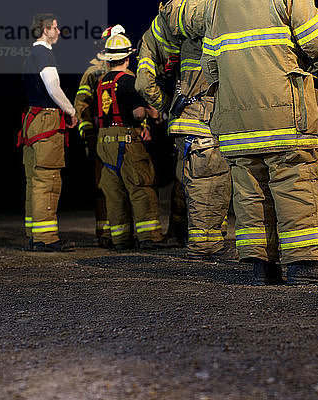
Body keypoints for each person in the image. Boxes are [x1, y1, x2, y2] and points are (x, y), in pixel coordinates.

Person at [201, 0, 318, 284]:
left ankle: (261, 266)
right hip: (283, 111)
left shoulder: (215, 5)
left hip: (235, 118)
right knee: (296, 180)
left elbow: (210, 68)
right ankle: (307, 263)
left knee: (250, 190)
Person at [136, 0, 233, 260]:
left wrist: (167, 106)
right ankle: (206, 246)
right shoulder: (217, 11)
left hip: (185, 120)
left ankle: (208, 239)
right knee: (209, 182)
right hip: (209, 118)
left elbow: (144, 83)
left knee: (197, 183)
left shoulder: (162, 25)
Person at [95, 33, 166, 251]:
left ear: (108, 60)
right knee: (140, 185)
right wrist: (152, 113)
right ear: (128, 58)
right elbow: (136, 114)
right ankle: (149, 237)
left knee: (114, 192)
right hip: (125, 139)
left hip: (103, 140)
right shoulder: (128, 81)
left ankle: (120, 239)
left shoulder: (101, 82)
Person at [20, 13, 77, 252]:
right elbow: (53, 88)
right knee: (48, 178)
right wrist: (71, 110)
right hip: (46, 120)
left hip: (32, 121)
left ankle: (35, 233)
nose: (58, 31)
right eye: (55, 27)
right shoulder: (44, 53)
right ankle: (46, 238)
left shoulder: (30, 55)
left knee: (34, 179)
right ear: (45, 30)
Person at [74, 24, 126, 249]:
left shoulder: (124, 70)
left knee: (127, 184)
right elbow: (82, 105)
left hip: (126, 135)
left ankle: (124, 232)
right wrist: (87, 132)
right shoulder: (94, 72)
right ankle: (105, 233)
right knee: (103, 186)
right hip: (100, 135)